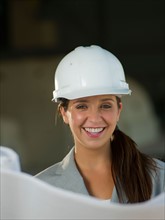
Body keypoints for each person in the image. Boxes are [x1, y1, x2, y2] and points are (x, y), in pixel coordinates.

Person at [36, 45, 165, 203]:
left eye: (105, 106)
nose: (95, 118)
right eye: (82, 106)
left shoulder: (158, 178)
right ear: (64, 113)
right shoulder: (41, 190)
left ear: (118, 110)